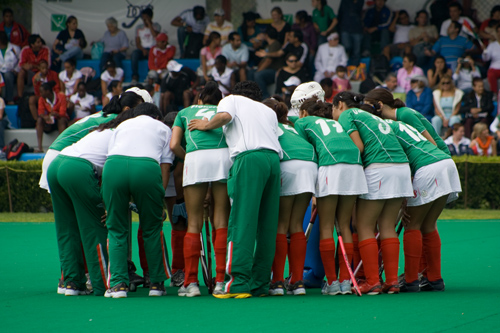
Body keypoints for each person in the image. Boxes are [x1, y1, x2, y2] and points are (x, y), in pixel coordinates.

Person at [188, 81, 282, 298]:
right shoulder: (267, 110)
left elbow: (224, 117)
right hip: (273, 161)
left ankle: (238, 283)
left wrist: (205, 125)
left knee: (242, 220)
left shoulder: (231, 100)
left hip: (249, 158)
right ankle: (260, 283)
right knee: (267, 225)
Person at [360, 101, 460, 293]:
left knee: (411, 225)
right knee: (428, 225)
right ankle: (434, 279)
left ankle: (412, 280)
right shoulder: (400, 123)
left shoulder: (383, 128)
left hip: (427, 167)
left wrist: (405, 198)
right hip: (445, 163)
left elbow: (401, 160)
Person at [46, 103, 139, 296]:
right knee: (96, 228)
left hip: (55, 165)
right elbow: (112, 173)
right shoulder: (122, 134)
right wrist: (108, 206)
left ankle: (71, 283)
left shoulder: (104, 128)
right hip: (77, 168)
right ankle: (103, 284)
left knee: (67, 228)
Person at [333, 91, 413, 295]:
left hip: (379, 168)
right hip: (401, 168)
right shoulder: (373, 117)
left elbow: (358, 147)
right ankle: (392, 282)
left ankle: (372, 282)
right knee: (387, 226)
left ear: (340, 105)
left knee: (364, 226)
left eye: (333, 108)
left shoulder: (347, 115)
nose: (334, 113)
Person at [102, 103, 174, 298]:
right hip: (146, 168)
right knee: (151, 228)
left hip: (114, 167)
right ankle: (157, 285)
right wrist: (159, 201)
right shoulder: (164, 128)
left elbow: (111, 154)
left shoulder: (122, 125)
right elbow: (165, 167)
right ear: (156, 117)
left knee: (116, 229)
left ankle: (118, 285)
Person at [296, 98, 367, 295]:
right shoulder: (336, 123)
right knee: (344, 225)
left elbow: (304, 151)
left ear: (303, 113)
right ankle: (345, 282)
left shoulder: (303, 122)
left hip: (331, 165)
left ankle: (332, 283)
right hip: (354, 165)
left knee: (326, 225)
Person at [169, 81, 230, 297]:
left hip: (196, 159)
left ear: (199, 100)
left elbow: (174, 145)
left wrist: (191, 158)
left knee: (193, 222)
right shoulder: (225, 109)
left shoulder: (184, 112)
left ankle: (191, 283)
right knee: (221, 219)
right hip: (223, 159)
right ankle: (221, 281)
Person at [39, 87, 151, 192]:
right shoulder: (116, 122)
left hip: (59, 157)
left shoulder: (108, 115)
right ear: (128, 108)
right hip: (62, 156)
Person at [262, 97, 317, 296]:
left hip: (289, 166)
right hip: (310, 167)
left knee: (281, 225)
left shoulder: (268, 127)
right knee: (296, 225)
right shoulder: (295, 127)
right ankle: (297, 282)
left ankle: (277, 282)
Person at [364, 88, 451, 156]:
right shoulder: (391, 121)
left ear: (379, 104)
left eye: (369, 106)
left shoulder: (405, 114)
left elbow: (432, 144)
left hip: (440, 155)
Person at [36, 81, 68, 152]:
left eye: (42, 92)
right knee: (39, 120)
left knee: (61, 120)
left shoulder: (61, 96)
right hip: (49, 122)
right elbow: (40, 112)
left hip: (59, 121)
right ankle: (40, 148)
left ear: (48, 91)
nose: (40, 94)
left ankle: (62, 147)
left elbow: (63, 112)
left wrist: (56, 114)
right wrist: (45, 117)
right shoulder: (41, 99)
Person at [131, 8, 160, 83]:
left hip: (153, 49)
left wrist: (149, 24)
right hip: (142, 49)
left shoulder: (156, 26)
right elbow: (137, 43)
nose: (144, 19)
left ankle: (150, 77)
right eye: (143, 18)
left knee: (152, 55)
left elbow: (155, 36)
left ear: (150, 17)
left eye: (146, 17)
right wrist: (143, 50)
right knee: (134, 54)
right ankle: (135, 76)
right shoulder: (139, 27)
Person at [253, 27, 284, 99]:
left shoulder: (275, 44)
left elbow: (268, 61)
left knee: (258, 75)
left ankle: (265, 97)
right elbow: (264, 59)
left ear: (266, 35)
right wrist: (257, 68)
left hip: (275, 71)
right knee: (251, 72)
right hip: (268, 70)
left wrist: (258, 71)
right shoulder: (268, 45)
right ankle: (253, 95)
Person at [17, 34, 50, 99]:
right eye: (38, 42)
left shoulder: (45, 49)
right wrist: (26, 66)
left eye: (40, 42)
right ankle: (20, 97)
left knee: (44, 70)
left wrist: (33, 66)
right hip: (30, 73)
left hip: (42, 72)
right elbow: (21, 64)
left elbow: (47, 65)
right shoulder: (25, 50)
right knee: (21, 72)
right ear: (32, 45)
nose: (40, 43)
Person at [337, 0, 363, 66]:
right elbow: (340, 13)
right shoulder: (344, 1)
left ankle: (353, 71)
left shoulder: (360, 1)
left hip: (357, 29)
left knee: (356, 52)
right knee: (346, 47)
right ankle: (343, 69)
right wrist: (339, 28)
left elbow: (358, 10)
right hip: (345, 28)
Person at [0, 31, 20, 103]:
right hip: (0, 72)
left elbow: (20, 61)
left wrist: (16, 70)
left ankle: (9, 99)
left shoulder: (15, 48)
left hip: (11, 72)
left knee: (8, 75)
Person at [482, 25, 500, 95]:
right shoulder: (492, 45)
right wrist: (485, 52)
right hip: (494, 68)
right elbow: (486, 59)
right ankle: (494, 94)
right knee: (491, 74)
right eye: (498, 32)